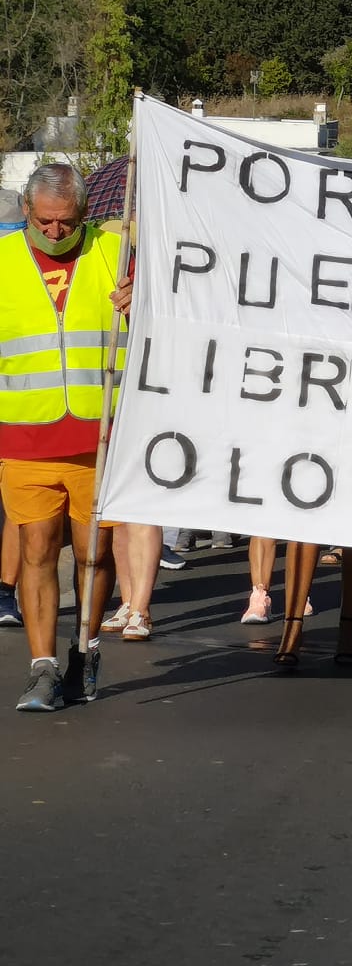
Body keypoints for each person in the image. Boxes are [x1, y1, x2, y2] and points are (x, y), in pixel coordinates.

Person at [3, 165, 132, 711]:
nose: (56, 232)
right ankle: (42, 668)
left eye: (68, 222)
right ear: (27, 212)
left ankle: (87, 647)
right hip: (24, 435)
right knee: (35, 549)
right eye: (46, 221)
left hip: (101, 435)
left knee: (93, 554)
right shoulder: (4, 262)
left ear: (85, 214)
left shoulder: (117, 250)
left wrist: (144, 300)